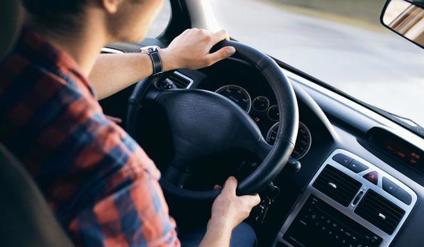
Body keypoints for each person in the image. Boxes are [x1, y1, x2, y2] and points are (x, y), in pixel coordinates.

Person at [0, 0, 261, 246]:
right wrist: (223, 221)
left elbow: (64, 76)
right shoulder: (115, 174)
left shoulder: (13, 63)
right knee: (243, 234)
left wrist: (166, 58)